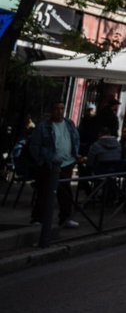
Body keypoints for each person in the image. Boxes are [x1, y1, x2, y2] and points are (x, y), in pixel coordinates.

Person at [27, 101, 81, 247]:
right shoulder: (43, 126)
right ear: (51, 111)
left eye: (62, 108)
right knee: (44, 191)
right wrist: (41, 160)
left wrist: (75, 155)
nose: (59, 111)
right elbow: (35, 145)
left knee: (65, 191)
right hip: (49, 163)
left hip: (67, 162)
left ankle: (65, 218)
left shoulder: (69, 124)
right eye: (56, 108)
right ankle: (38, 218)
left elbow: (75, 138)